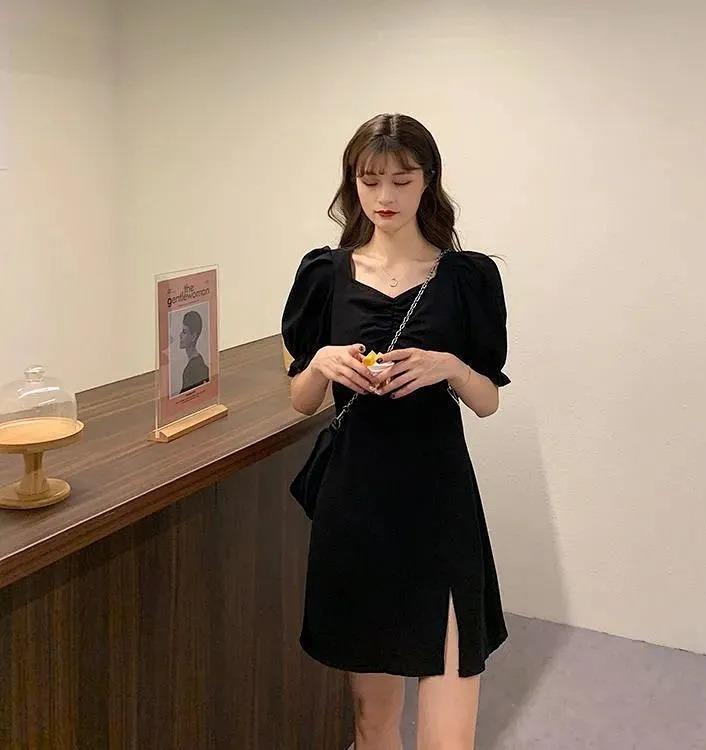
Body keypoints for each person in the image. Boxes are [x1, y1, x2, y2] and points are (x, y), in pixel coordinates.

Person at [281, 113, 511, 750]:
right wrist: (321, 364)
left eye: (402, 181)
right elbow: (301, 401)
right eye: (370, 180)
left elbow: (488, 401)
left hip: (439, 500)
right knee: (372, 723)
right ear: (352, 183)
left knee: (449, 732)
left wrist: (449, 366)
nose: (385, 197)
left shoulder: (467, 277)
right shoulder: (324, 275)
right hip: (356, 504)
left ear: (428, 182)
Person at [178, 309, 210, 394]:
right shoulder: (200, 362)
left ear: (193, 336)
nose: (180, 335)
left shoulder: (190, 370)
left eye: (184, 332)